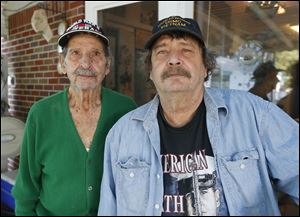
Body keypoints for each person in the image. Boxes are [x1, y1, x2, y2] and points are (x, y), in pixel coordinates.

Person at [98, 16, 299, 216]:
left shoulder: (255, 115)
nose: (174, 59)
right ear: (150, 70)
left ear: (205, 67)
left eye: (186, 50)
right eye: (162, 52)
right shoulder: (121, 135)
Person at [12, 19, 136, 216]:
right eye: (76, 53)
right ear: (63, 63)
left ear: (108, 65)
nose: (86, 63)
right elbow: (26, 189)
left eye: (95, 54)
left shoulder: (126, 109)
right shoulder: (41, 114)